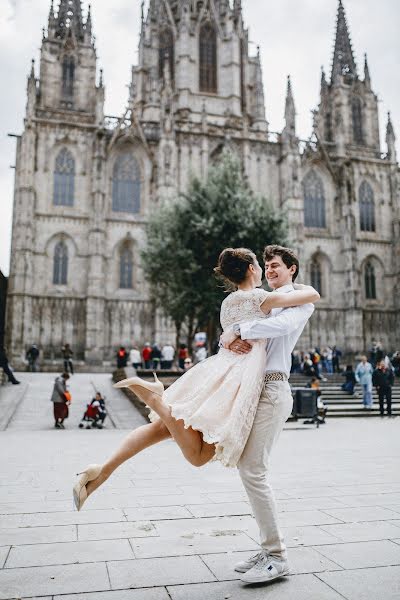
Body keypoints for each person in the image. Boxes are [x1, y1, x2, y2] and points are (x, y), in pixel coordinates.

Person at [73, 245, 319, 586]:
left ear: (292, 269)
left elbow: (277, 325)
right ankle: (272, 552)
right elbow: (243, 329)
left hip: (262, 387)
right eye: (265, 265)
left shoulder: (294, 300)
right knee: (199, 449)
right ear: (252, 269)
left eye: (276, 265)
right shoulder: (265, 298)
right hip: (240, 386)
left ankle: (274, 554)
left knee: (233, 462)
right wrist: (230, 336)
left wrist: (235, 332)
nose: (269, 269)